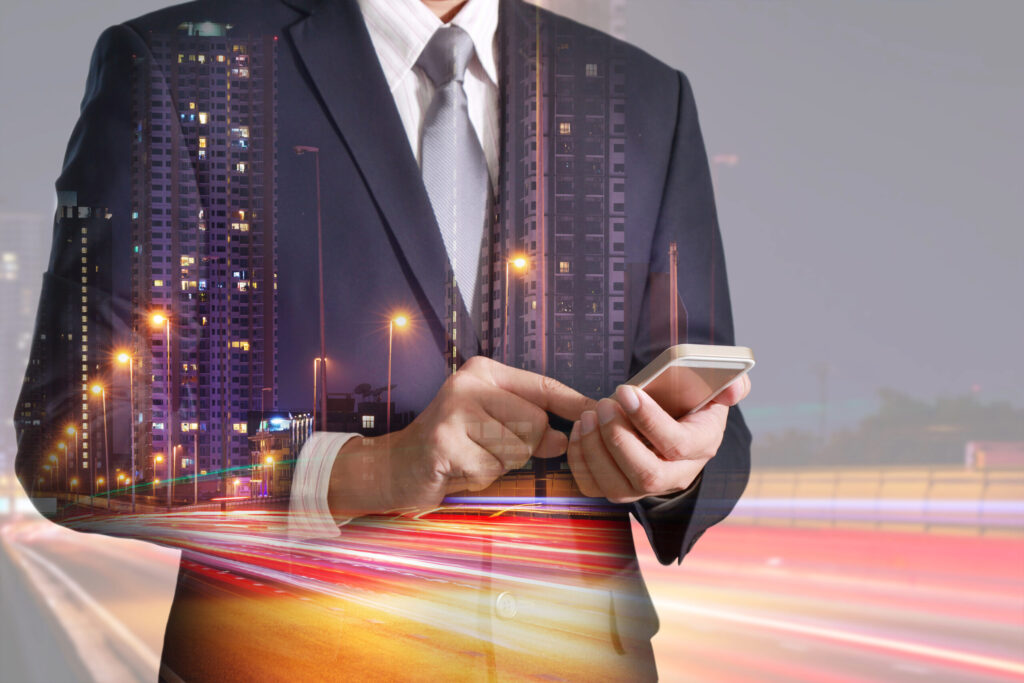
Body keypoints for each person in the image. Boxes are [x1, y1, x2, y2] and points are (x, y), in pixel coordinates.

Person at [14, 0, 751, 679]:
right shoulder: (178, 66)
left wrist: (675, 465)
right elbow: (73, 441)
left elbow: (717, 424)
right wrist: (368, 470)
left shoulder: (645, 97)